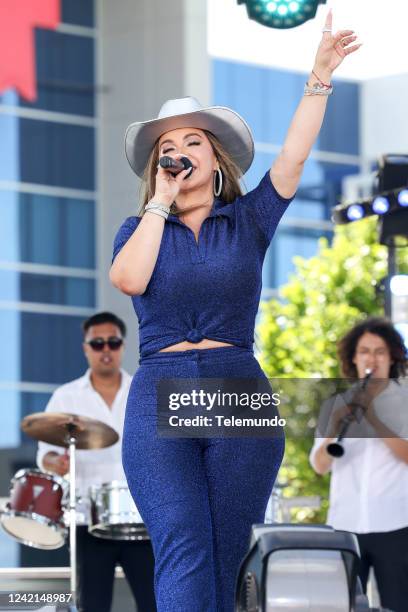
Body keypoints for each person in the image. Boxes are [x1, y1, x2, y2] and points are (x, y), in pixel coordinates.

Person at [110, 11, 361, 612]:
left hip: (236, 386)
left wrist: (318, 78)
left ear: (217, 159)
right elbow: (127, 279)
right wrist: (160, 206)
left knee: (225, 554)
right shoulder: (140, 226)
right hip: (161, 387)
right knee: (182, 541)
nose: (178, 152)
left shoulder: (248, 220)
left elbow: (293, 161)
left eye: (192, 142)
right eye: (166, 148)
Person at [36, 312, 156, 612]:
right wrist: (56, 462)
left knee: (156, 604)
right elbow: (44, 455)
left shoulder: (143, 391)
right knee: (92, 606)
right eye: (98, 343)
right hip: (88, 521)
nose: (106, 350)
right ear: (86, 348)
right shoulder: (65, 397)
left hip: (141, 520)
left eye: (113, 343)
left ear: (123, 346)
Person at [310, 317, 408, 612]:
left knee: (399, 605)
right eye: (364, 351)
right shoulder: (337, 404)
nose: (372, 358)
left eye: (380, 352)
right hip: (345, 524)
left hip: (397, 524)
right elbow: (319, 465)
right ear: (354, 357)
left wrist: (375, 418)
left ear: (392, 358)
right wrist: (336, 429)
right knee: (344, 606)